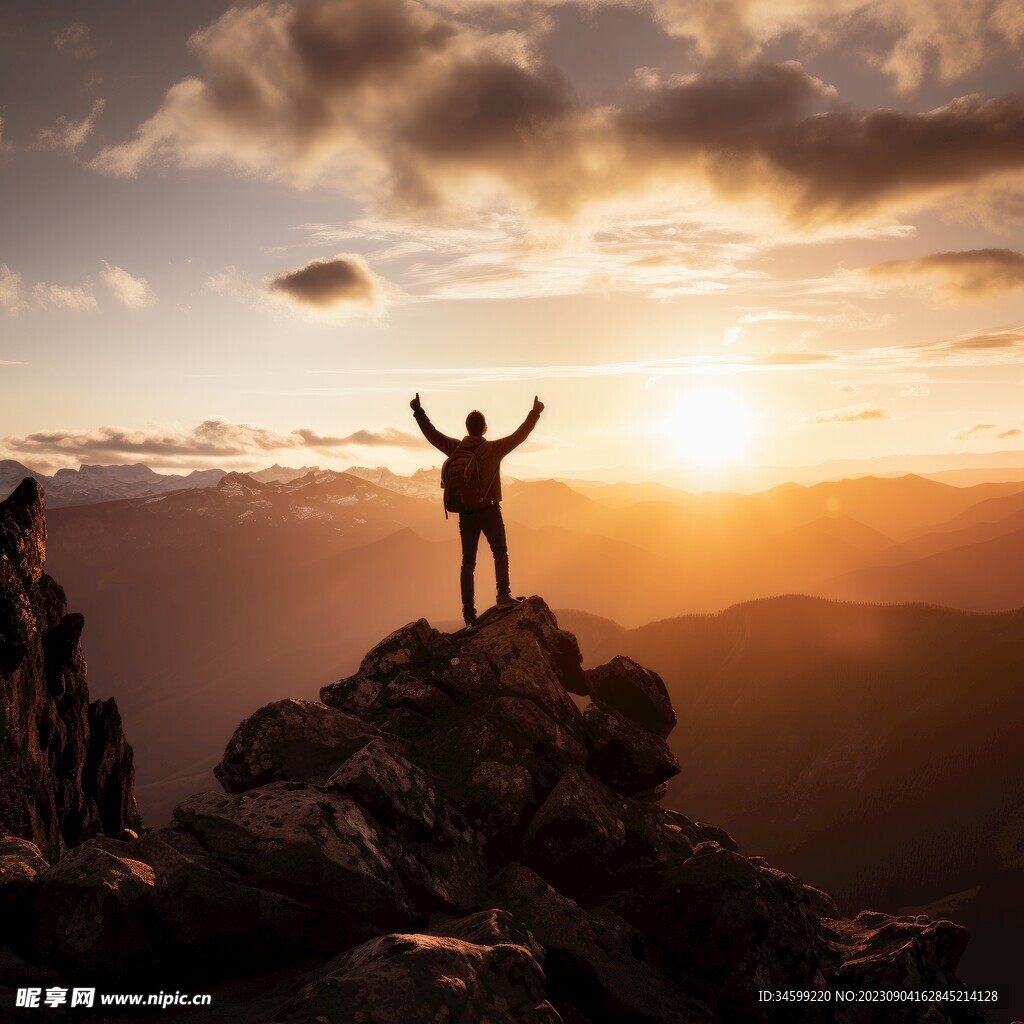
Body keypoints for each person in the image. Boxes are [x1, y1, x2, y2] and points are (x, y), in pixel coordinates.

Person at [411, 393, 544, 628]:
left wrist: (418, 412)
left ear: (467, 428)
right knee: (499, 551)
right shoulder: (494, 449)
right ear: (484, 428)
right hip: (490, 510)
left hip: (466, 514)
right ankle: (503, 596)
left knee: (468, 563)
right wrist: (535, 412)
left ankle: (469, 614)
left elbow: (432, 435)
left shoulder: (455, 448)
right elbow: (520, 435)